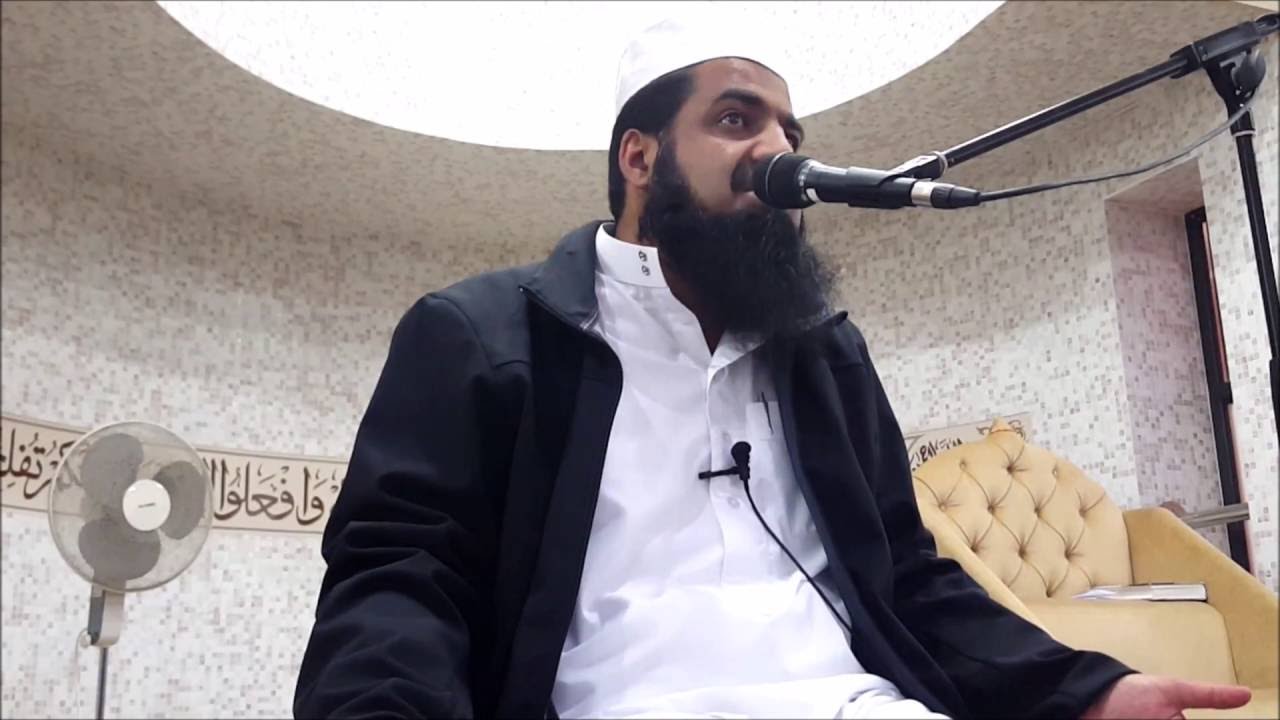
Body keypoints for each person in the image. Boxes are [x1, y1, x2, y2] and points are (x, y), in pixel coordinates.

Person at [294, 18, 1252, 720]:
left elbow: (907, 579)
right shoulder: (483, 335)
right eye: (735, 120)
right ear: (639, 157)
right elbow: (401, 577)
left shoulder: (825, 356)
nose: (779, 154)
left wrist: (1087, 691)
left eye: (791, 133)